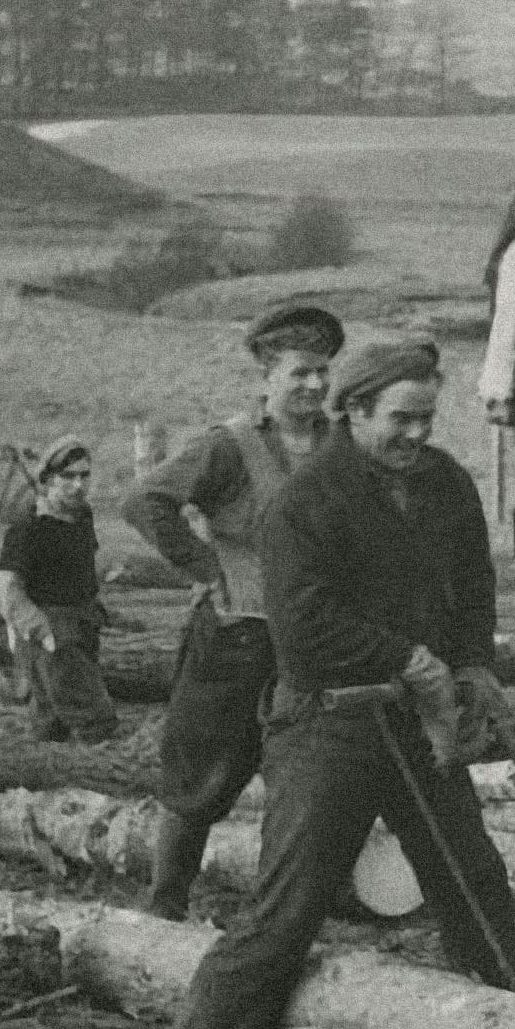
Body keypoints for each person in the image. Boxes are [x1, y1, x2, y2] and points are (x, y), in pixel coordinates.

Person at [157, 336, 515, 1029]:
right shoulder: (305, 503)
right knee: (290, 900)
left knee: (470, 870)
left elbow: (473, 584)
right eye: (401, 418)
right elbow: (304, 630)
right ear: (355, 412)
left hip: (417, 722)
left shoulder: (445, 484)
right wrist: (415, 662)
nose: (417, 435)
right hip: (329, 725)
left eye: (427, 418)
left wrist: (473, 664)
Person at [121, 303, 344, 920]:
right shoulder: (229, 447)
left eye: (324, 371)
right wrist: (204, 567)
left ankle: (275, 915)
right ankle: (165, 906)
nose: (316, 385)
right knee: (199, 778)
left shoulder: (342, 445)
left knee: (301, 785)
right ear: (267, 376)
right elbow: (145, 500)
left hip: (319, 644)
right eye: (300, 372)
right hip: (237, 639)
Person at [0, 435, 118, 743]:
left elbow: (82, 566)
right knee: (95, 719)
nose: (78, 485)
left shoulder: (81, 515)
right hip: (52, 635)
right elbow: (6, 590)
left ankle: (48, 784)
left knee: (50, 725)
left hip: (82, 626)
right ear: (48, 479)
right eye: (68, 477)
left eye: (84, 476)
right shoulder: (29, 526)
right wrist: (43, 632)